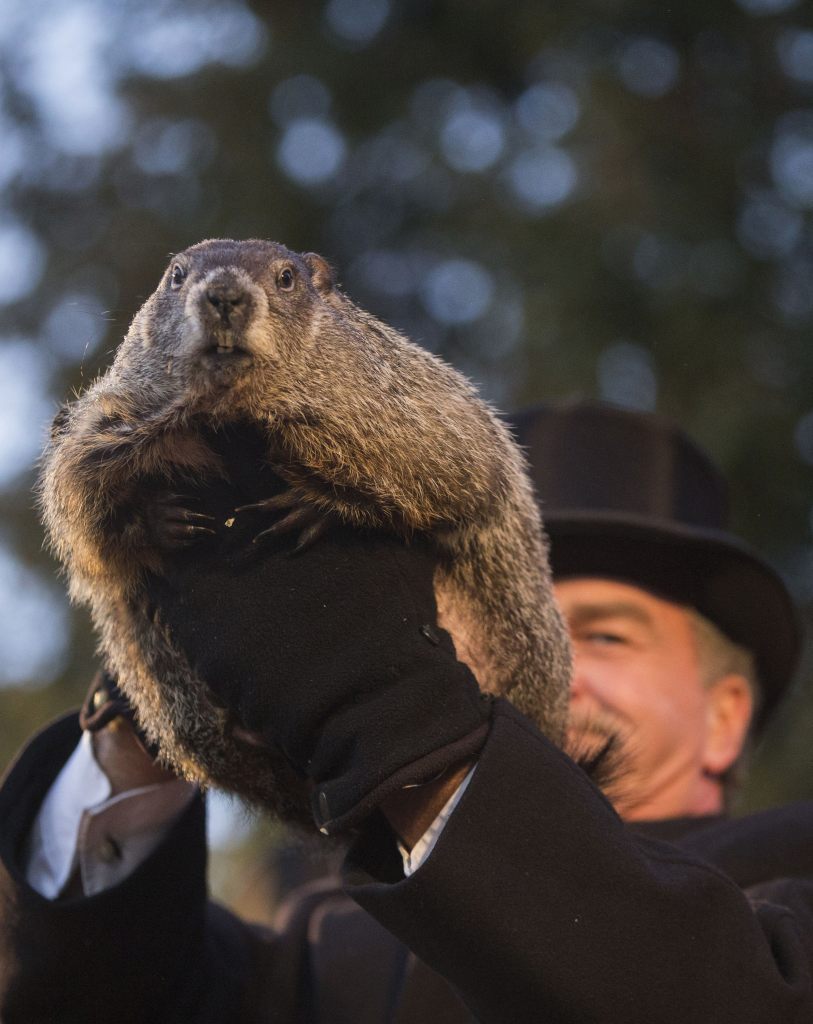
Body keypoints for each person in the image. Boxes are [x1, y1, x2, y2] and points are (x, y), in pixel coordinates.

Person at [1, 401, 810, 1023]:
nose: (554, 670)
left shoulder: (788, 877)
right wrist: (150, 711)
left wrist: (405, 733)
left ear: (724, 715)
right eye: (507, 622)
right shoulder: (321, 940)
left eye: (602, 634)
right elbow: (92, 996)